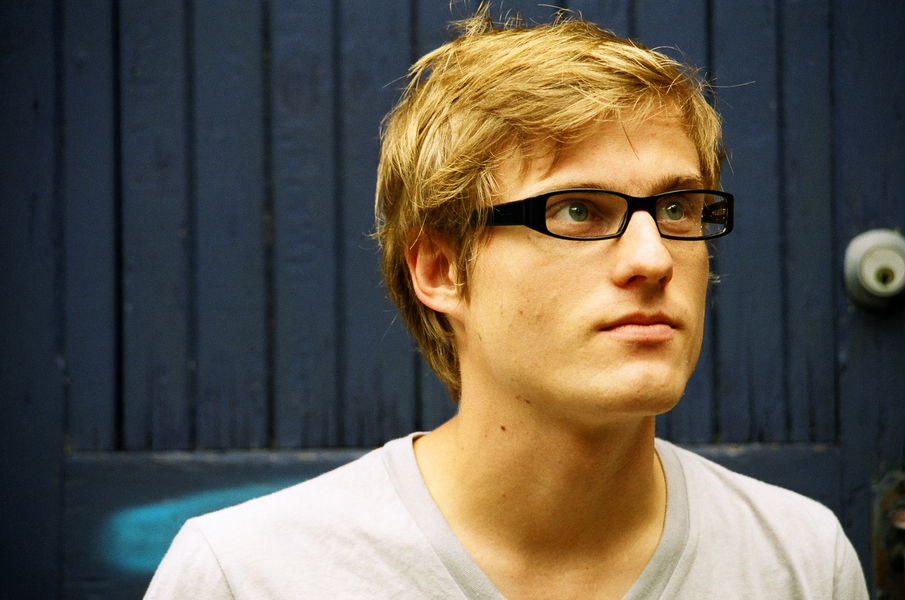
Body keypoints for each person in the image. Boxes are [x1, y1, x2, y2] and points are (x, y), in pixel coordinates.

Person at [145, 8, 869, 599]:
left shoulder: (798, 562)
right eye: (577, 211)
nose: (652, 259)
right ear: (440, 270)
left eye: (676, 208)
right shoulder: (248, 576)